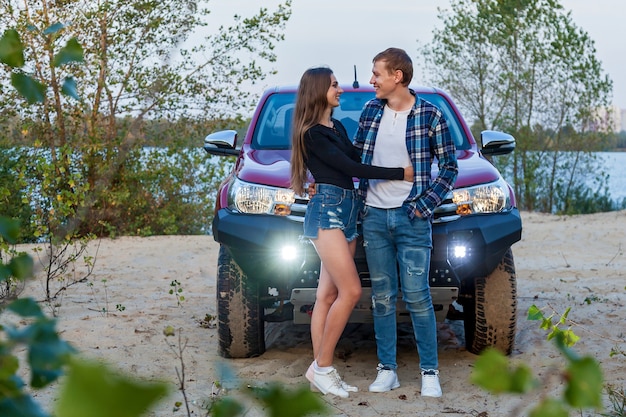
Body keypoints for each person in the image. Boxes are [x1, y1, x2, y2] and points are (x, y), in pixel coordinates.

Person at [290, 66, 413, 398]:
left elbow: (359, 156)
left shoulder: (338, 127)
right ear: (318, 91)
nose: (339, 89)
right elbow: (353, 169)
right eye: (333, 85)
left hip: (348, 211)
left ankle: (321, 371)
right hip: (327, 212)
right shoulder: (312, 134)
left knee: (327, 296)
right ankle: (323, 368)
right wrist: (401, 173)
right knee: (352, 291)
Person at [353, 48, 458, 398]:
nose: (372, 80)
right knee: (382, 296)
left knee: (417, 295)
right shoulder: (370, 112)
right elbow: (356, 160)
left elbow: (449, 168)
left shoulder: (430, 115)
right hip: (374, 218)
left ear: (397, 76)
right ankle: (388, 370)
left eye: (377, 74)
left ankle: (430, 371)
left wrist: (423, 206)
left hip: (411, 217)